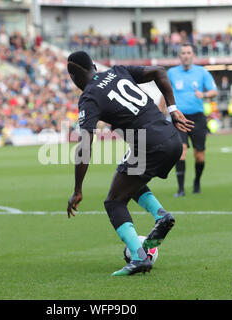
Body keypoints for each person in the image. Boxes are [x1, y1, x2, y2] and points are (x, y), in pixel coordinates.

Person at [65, 51, 194, 276]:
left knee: (114, 201)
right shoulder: (117, 71)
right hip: (172, 137)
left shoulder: (89, 97)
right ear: (94, 65)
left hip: (150, 146)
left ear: (74, 77)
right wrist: (173, 109)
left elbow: (84, 146)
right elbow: (159, 72)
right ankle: (161, 215)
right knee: (127, 177)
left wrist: (77, 190)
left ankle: (138, 257)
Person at [164, 42, 217, 197]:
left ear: (193, 55)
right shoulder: (172, 73)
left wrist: (204, 95)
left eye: (188, 52)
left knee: (199, 155)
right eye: (183, 53)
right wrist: (162, 111)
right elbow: (165, 92)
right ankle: (180, 189)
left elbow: (214, 90)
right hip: (179, 117)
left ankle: (197, 182)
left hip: (198, 118)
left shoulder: (202, 72)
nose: (186, 55)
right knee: (181, 152)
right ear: (179, 56)